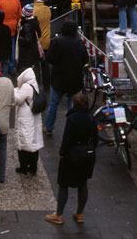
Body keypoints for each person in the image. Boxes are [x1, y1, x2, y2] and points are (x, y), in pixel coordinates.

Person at [45, 93, 97, 224]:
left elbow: (67, 138)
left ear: (75, 104)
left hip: (72, 154)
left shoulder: (72, 118)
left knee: (64, 184)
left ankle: (59, 215)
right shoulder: (91, 118)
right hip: (86, 155)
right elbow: (95, 139)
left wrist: (62, 152)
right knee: (82, 183)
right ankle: (79, 213)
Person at [43, 20, 87, 135]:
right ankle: (71, 129)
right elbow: (85, 59)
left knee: (53, 104)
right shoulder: (79, 42)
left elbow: (50, 58)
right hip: (75, 78)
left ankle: (49, 127)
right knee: (72, 105)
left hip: (58, 78)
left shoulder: (57, 41)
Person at [13, 65, 44, 175]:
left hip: (26, 117)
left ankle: (23, 167)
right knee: (34, 143)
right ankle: (33, 167)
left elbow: (18, 100)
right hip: (34, 116)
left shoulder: (26, 86)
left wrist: (15, 91)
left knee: (23, 142)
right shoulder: (36, 85)